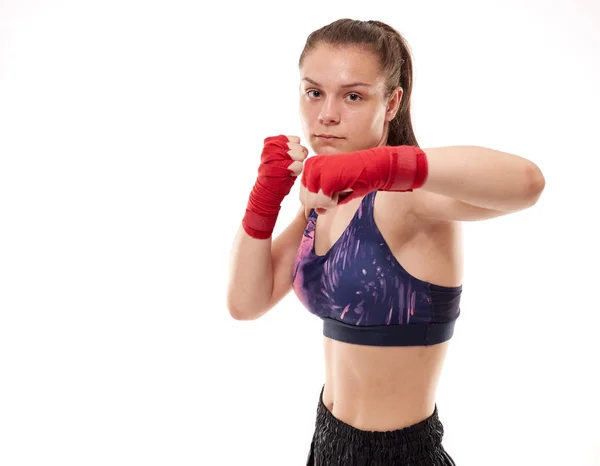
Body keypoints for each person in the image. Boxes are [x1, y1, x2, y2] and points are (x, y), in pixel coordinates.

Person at [226, 18, 545, 465]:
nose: (326, 114)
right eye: (314, 92)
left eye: (353, 95)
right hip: (325, 444)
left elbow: (528, 183)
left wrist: (384, 167)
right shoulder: (324, 200)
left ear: (392, 102)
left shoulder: (409, 198)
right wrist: (264, 198)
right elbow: (246, 302)